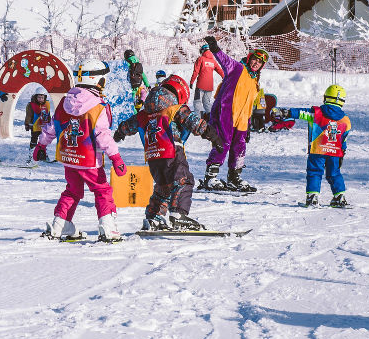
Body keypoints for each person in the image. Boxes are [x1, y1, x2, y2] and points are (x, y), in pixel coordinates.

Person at [113, 75, 225, 230]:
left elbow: (128, 125)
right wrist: (214, 136)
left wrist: (120, 133)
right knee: (184, 180)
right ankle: (178, 215)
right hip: (171, 152)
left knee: (164, 187)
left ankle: (154, 217)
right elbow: (195, 123)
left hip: (153, 157)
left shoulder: (144, 114)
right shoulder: (175, 109)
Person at [32, 59, 126, 242]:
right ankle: (108, 228)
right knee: (102, 190)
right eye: (103, 79)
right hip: (89, 160)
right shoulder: (97, 106)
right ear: (97, 80)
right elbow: (103, 135)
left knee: (72, 191)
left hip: (69, 157)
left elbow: (52, 127)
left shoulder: (64, 102)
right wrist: (116, 157)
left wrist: (41, 145)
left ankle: (60, 224)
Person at [198, 36, 268, 192]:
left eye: (260, 62)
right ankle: (210, 177)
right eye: (254, 59)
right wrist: (214, 47)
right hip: (226, 115)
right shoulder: (238, 68)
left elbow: (249, 105)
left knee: (239, 147)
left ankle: (234, 178)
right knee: (222, 143)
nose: (256, 63)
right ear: (249, 58)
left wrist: (248, 125)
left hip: (242, 121)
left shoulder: (255, 81)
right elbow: (224, 60)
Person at [272, 85, 351, 207]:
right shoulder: (346, 120)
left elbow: (301, 113)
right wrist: (342, 152)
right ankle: (340, 196)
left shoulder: (316, 113)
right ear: (342, 101)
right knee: (334, 173)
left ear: (325, 97)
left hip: (318, 150)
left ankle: (313, 197)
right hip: (335, 152)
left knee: (315, 172)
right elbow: (343, 138)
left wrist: (286, 113)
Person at [189, 42, 224, 115]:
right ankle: (211, 118)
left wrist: (192, 82)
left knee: (197, 102)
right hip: (209, 86)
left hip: (200, 86)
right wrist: (225, 78)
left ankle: (197, 118)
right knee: (206, 103)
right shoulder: (213, 61)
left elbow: (196, 71)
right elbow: (220, 70)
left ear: (203, 50)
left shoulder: (201, 59)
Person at [24, 86, 52, 159]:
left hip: (44, 127)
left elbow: (48, 114)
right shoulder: (31, 105)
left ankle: (43, 155)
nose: (40, 99)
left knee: (43, 141)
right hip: (35, 126)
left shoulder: (47, 104)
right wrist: (27, 124)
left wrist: (50, 123)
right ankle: (31, 155)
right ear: (36, 97)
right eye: (39, 97)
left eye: (42, 97)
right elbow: (28, 115)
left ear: (45, 97)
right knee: (34, 140)